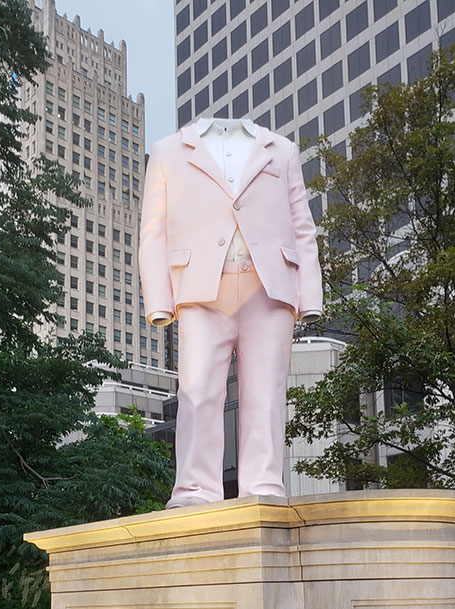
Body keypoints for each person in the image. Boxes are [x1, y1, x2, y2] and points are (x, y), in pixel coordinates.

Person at [138, 117, 323, 508]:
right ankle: (193, 489)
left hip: (269, 285)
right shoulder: (168, 152)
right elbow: (153, 232)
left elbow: (303, 228)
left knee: (266, 392)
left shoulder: (282, 150)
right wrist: (159, 300)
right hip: (201, 287)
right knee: (197, 390)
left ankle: (263, 485)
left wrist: (310, 298)